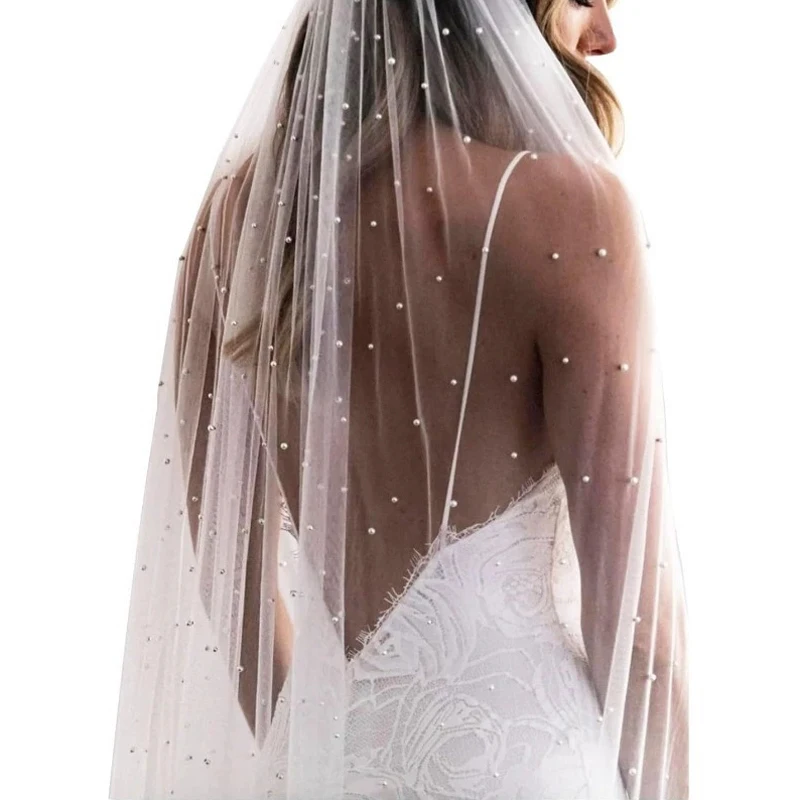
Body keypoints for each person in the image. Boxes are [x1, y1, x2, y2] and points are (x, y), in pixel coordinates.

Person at [109, 2, 690, 799]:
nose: (606, 36)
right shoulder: (572, 214)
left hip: (322, 767)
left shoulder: (237, 225)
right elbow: (642, 636)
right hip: (522, 769)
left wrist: (335, 749)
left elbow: (230, 582)